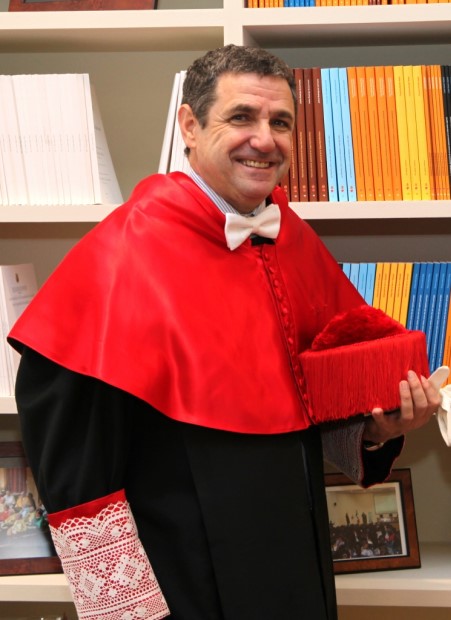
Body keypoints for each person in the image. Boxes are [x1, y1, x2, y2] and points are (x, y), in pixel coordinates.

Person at [7, 45, 440, 620]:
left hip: (297, 558)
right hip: (182, 573)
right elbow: (70, 444)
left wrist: (378, 430)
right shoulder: (122, 252)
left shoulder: (295, 240)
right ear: (189, 126)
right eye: (241, 117)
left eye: (280, 122)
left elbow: (321, 402)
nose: (265, 139)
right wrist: (124, 606)